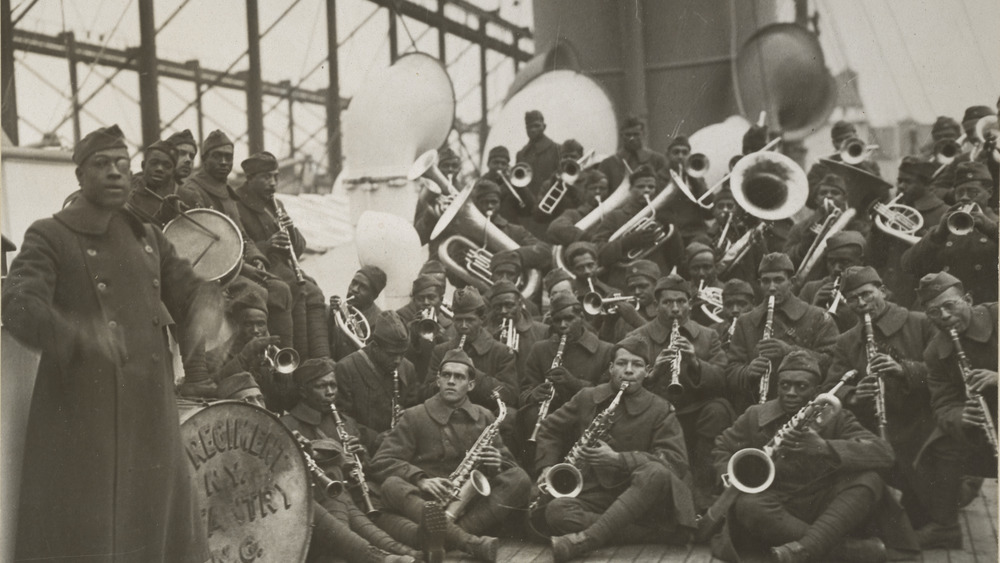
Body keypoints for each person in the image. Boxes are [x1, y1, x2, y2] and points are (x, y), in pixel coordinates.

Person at [2, 124, 221, 562]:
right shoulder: (49, 234)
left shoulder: (146, 236)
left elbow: (188, 286)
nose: (116, 173)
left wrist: (208, 309)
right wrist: (80, 334)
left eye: (122, 163)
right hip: (86, 415)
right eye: (103, 164)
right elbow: (19, 303)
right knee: (94, 536)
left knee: (158, 526)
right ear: (80, 175)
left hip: (151, 410)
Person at [711, 351, 902, 563]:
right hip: (778, 502)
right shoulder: (755, 415)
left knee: (870, 480)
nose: (791, 392)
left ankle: (802, 550)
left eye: (801, 387)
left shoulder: (838, 417)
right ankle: (849, 552)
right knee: (747, 506)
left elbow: (884, 453)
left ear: (816, 390)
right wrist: (729, 476)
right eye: (784, 385)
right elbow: (722, 447)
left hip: (825, 503)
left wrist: (824, 447)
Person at [533, 336, 695, 561]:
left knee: (655, 471)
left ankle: (587, 540)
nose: (628, 370)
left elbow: (674, 461)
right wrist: (547, 465)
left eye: (637, 365)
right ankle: (655, 534)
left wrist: (619, 459)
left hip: (643, 496)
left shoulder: (660, 408)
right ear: (610, 368)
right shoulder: (587, 397)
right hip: (597, 496)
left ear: (647, 372)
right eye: (622, 363)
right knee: (556, 511)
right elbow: (550, 428)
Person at [372, 349, 534, 562]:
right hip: (425, 503)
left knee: (520, 479)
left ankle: (442, 537)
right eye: (446, 375)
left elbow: (510, 466)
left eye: (459, 377)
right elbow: (381, 462)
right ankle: (465, 541)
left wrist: (497, 463)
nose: (451, 381)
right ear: (437, 381)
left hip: (471, 506)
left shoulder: (484, 416)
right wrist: (421, 480)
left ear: (471, 385)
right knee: (392, 485)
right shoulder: (415, 415)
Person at [821, 266, 937, 530]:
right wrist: (853, 395)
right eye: (852, 299)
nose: (861, 304)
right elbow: (829, 388)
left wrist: (904, 369)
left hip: (920, 423)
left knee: (918, 515)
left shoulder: (919, 323)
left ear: (882, 291)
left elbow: (946, 375)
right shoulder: (847, 340)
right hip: (872, 426)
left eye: (866, 294)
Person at [281, 359, 420, 563]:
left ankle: (409, 550)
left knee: (391, 523)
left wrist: (361, 456)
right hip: (324, 506)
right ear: (303, 391)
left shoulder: (345, 422)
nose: (330, 392)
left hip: (358, 499)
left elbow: (369, 467)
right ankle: (393, 554)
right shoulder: (288, 425)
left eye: (333, 385)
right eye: (322, 386)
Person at [181, 129, 296, 348]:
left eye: (228, 157)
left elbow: (241, 235)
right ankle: (255, 359)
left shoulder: (226, 191)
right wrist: (246, 269)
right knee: (261, 292)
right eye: (218, 156)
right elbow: (207, 247)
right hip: (213, 274)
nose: (225, 162)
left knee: (283, 288)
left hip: (234, 268)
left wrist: (256, 258)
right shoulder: (193, 192)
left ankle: (286, 360)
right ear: (205, 159)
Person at [626, 274, 730, 510]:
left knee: (719, 409)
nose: (675, 309)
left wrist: (694, 362)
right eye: (668, 302)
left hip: (694, 412)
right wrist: (651, 374)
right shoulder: (637, 337)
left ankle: (704, 488)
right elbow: (620, 379)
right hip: (654, 414)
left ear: (690, 304)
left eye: (681, 302)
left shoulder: (708, 335)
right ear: (656, 305)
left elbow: (723, 379)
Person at [912, 272, 997, 549]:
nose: (945, 316)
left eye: (951, 306)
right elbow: (943, 404)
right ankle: (944, 526)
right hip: (986, 426)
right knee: (940, 443)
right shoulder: (935, 352)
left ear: (969, 300)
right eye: (935, 311)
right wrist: (961, 416)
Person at [236, 150, 330, 359]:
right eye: (266, 177)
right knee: (295, 289)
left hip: (283, 267)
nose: (273, 183)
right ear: (250, 179)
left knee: (314, 292)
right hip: (259, 270)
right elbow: (238, 247)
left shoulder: (276, 204)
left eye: (276, 176)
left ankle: (319, 360)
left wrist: (291, 231)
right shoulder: (237, 205)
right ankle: (296, 359)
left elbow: (298, 248)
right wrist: (267, 245)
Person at [725, 253, 839, 412]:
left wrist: (789, 351)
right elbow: (731, 371)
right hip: (758, 409)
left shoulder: (818, 317)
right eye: (766, 281)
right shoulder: (745, 321)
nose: (772, 287)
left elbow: (833, 363)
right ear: (759, 284)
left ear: (791, 282)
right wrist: (748, 371)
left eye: (778, 280)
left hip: (806, 409)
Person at [518, 293, 614, 464]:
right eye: (557, 320)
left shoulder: (605, 350)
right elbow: (524, 391)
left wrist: (574, 383)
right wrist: (534, 394)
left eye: (569, 319)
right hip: (551, 416)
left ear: (581, 317)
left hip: (586, 416)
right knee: (531, 415)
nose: (563, 325)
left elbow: (607, 392)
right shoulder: (540, 349)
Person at [902, 161, 999, 305]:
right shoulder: (946, 226)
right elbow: (908, 265)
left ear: (989, 193)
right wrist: (937, 234)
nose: (965, 197)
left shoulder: (995, 224)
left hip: (987, 309)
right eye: (959, 192)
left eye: (973, 192)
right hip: (949, 308)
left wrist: (992, 229)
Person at [335, 311, 422, 449]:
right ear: (375, 347)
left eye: (402, 354)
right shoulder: (346, 368)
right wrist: (373, 438)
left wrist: (408, 416)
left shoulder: (407, 367)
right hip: (364, 448)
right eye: (391, 354)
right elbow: (341, 419)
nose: (398, 361)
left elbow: (414, 405)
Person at [867, 157, 946, 306]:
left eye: (908, 182)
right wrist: (875, 230)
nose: (901, 186)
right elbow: (874, 257)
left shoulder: (943, 214)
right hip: (889, 292)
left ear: (927, 184)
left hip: (919, 295)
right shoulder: (893, 211)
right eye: (900, 181)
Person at [593, 165, 686, 290]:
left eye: (651, 187)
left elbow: (678, 259)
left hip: (656, 284)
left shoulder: (662, 218)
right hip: (623, 283)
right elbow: (598, 253)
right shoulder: (615, 217)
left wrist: (673, 229)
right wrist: (627, 242)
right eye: (640, 186)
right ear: (630, 189)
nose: (646, 190)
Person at [206, 283, 296, 413]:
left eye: (261, 324)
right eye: (248, 324)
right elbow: (214, 391)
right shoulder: (212, 357)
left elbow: (286, 401)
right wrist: (244, 358)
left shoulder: (271, 354)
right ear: (236, 326)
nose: (256, 330)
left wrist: (281, 373)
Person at [424, 287, 519, 409]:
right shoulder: (441, 350)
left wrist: (475, 375)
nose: (463, 326)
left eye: (470, 320)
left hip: (484, 418)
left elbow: (510, 396)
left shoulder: (502, 352)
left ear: (482, 320)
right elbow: (425, 394)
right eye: (458, 320)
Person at [784, 173, 871, 278]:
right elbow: (786, 261)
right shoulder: (799, 228)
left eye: (835, 193)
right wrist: (805, 244)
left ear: (844, 198)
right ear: (816, 199)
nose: (829, 196)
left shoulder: (857, 227)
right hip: (808, 285)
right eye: (823, 193)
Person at [796, 230, 866, 332]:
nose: (836, 269)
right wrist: (813, 309)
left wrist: (851, 318)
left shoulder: (875, 292)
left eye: (845, 262)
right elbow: (793, 332)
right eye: (831, 262)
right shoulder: (810, 289)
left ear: (861, 262)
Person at [330, 265, 388, 361]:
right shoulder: (341, 309)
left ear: (374, 296)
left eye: (363, 287)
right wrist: (330, 316)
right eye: (354, 283)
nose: (354, 289)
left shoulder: (380, 322)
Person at [598, 116, 667, 190]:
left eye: (636, 134)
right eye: (628, 135)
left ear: (643, 135)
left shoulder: (658, 160)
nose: (632, 138)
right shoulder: (608, 164)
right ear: (621, 136)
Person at [126, 140, 182, 227]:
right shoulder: (128, 196)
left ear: (173, 172)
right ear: (143, 166)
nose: (159, 169)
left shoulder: (184, 196)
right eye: (154, 163)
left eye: (166, 166)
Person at [546, 169, 610, 245]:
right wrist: (591, 238)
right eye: (593, 188)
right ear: (585, 191)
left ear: (608, 191)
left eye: (602, 188)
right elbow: (555, 228)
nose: (598, 191)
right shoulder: (573, 214)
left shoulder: (614, 214)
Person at [516, 110, 561, 202]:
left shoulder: (557, 149)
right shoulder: (521, 155)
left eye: (536, 126)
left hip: (552, 202)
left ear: (544, 127)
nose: (532, 130)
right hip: (527, 206)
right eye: (529, 127)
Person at [489, 250, 541, 317]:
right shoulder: (478, 303)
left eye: (510, 274)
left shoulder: (531, 308)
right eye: (499, 273)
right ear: (492, 275)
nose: (504, 279)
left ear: (518, 277)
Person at [711, 279, 756, 352]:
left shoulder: (761, 330)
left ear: (753, 304)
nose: (735, 310)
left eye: (741, 304)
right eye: (729, 305)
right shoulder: (713, 332)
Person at [685, 241, 724, 328]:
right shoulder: (682, 291)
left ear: (716, 267)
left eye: (707, 267)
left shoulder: (725, 290)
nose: (701, 273)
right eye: (695, 268)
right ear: (688, 270)